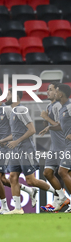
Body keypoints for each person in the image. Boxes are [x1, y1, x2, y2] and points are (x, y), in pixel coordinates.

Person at [0, 88, 56, 214]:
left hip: (26, 149)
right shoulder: (12, 112)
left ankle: (59, 193)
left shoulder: (21, 110)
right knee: (13, 176)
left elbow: (32, 130)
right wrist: (2, 140)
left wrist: (17, 141)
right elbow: (14, 135)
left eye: (9, 94)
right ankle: (17, 208)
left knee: (31, 181)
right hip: (16, 150)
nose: (7, 97)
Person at [0, 86, 38, 215]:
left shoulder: (7, 109)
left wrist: (6, 141)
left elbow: (15, 128)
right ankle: (28, 191)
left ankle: (5, 207)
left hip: (8, 147)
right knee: (2, 178)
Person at [38, 82, 69, 212]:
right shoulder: (50, 106)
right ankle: (61, 199)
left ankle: (58, 200)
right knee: (48, 173)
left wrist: (47, 120)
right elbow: (52, 124)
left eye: (51, 90)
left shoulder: (58, 106)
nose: (48, 92)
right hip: (54, 146)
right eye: (48, 90)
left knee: (63, 174)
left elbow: (59, 126)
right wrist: (46, 120)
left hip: (63, 145)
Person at [53, 83, 71, 212]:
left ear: (61, 94)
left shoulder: (69, 106)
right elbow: (62, 125)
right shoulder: (62, 109)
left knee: (62, 172)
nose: (54, 93)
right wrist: (49, 125)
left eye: (56, 91)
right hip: (67, 145)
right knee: (68, 173)